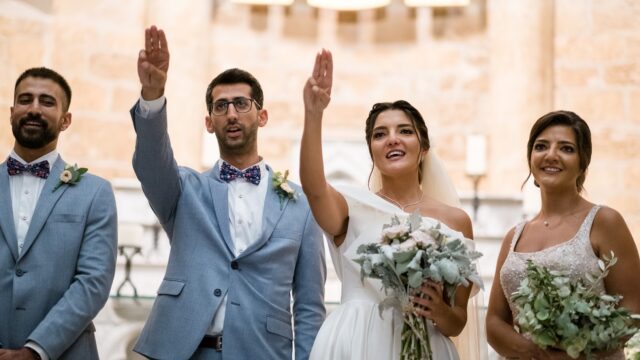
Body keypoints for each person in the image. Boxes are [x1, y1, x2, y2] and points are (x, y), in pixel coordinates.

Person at [130, 26, 326, 360]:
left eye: (241, 103)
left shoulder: (302, 205)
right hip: (182, 351)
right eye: (221, 107)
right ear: (209, 122)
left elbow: (309, 304)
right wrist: (152, 94)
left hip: (261, 352)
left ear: (262, 116)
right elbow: (150, 162)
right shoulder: (184, 191)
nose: (231, 113)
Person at [300, 50, 483, 360]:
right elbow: (315, 190)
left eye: (405, 131)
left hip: (425, 346)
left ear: (423, 147)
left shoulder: (456, 221)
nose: (392, 140)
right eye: (380, 134)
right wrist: (313, 112)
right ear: (372, 151)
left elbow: (457, 320)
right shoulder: (351, 207)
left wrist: (437, 309)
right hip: (354, 343)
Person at [486, 110, 640, 359]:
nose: (551, 155)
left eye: (566, 149)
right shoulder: (513, 236)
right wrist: (534, 352)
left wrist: (576, 351)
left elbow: (632, 310)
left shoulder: (605, 222)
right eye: (541, 146)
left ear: (582, 163)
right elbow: (494, 322)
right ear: (530, 157)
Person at [0, 67, 118, 360]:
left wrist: (35, 350)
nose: (34, 109)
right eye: (25, 100)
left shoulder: (95, 193)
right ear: (12, 112)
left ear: (66, 120)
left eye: (47, 102)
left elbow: (93, 283)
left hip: (66, 352)